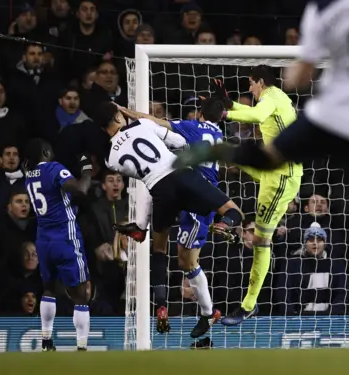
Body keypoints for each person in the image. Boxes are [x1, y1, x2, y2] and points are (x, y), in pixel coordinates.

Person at [173, 0, 349, 352]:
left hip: (327, 118)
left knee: (265, 159)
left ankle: (218, 150)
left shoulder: (324, 7)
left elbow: (300, 76)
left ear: (258, 82)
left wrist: (270, 88)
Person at [94, 101, 243, 334]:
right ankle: (225, 224)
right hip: (182, 176)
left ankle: (161, 304)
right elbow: (180, 142)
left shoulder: (109, 159)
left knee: (159, 250)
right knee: (234, 211)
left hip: (160, 193)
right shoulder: (143, 124)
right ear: (118, 116)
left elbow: (141, 171)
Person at [199, 67, 303, 326]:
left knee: (260, 239)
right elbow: (254, 112)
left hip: (280, 177)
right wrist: (229, 104)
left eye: (251, 85)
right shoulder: (277, 97)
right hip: (274, 170)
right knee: (228, 152)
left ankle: (249, 305)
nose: (250, 90)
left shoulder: (271, 97)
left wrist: (224, 112)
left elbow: (256, 115)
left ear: (260, 82)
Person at [23, 138, 93, 351]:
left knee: (49, 289)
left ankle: (46, 341)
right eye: (51, 150)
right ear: (45, 152)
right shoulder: (54, 168)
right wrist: (87, 169)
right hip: (65, 236)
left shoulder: (28, 177)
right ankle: (82, 347)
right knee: (80, 294)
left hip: (43, 239)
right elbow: (80, 189)